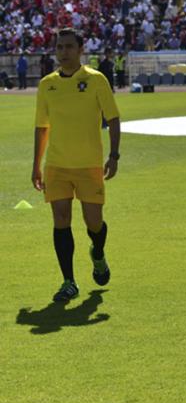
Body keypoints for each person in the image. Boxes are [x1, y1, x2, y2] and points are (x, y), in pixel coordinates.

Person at [32, 28, 121, 302]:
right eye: (59, 47)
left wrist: (114, 155)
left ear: (81, 50)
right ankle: (68, 281)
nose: (63, 52)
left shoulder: (96, 80)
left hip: (89, 165)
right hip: (57, 165)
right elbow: (41, 127)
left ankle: (98, 252)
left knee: (93, 223)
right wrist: (36, 165)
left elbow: (113, 118)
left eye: (69, 46)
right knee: (61, 219)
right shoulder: (47, 84)